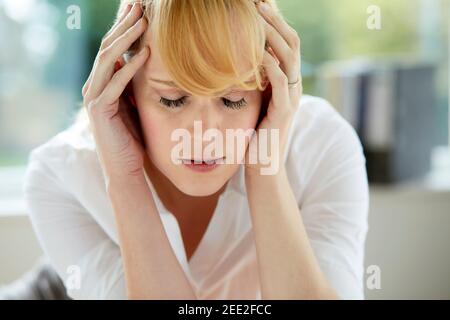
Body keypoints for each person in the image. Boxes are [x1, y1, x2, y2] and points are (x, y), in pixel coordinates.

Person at [23, 0, 369, 299]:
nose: (205, 136)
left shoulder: (323, 145)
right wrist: (124, 179)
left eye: (233, 100)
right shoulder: (61, 175)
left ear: (267, 92)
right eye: (173, 100)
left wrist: (265, 172)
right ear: (125, 88)